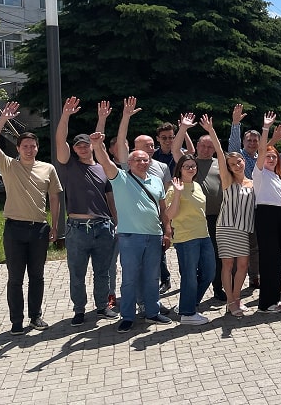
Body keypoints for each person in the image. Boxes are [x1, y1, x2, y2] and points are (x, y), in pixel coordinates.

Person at [91, 123, 171, 333]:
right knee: (130, 279)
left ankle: (152, 312)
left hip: (154, 235)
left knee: (152, 277)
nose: (142, 163)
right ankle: (128, 316)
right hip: (130, 237)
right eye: (138, 160)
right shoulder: (120, 178)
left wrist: (167, 231)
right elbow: (105, 161)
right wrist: (97, 145)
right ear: (129, 162)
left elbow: (163, 209)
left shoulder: (156, 181)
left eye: (145, 160)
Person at [0, 102, 63, 335]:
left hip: (39, 230)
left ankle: (35, 316)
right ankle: (16, 321)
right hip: (14, 230)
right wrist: (3, 120)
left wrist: (55, 226)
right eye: (25, 146)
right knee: (15, 278)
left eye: (32, 146)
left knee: (37, 276)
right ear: (18, 148)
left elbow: (54, 197)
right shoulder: (8, 165)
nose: (29, 149)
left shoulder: (48, 169)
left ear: (37, 148)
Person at [55, 97, 119, 327]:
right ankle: (79, 310)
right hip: (77, 229)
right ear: (73, 149)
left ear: (91, 146)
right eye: (78, 145)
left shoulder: (103, 168)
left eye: (86, 144)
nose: (82, 147)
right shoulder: (68, 165)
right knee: (77, 273)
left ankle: (102, 306)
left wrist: (116, 222)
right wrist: (65, 115)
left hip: (103, 227)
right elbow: (60, 140)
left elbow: (110, 197)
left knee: (103, 271)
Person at [199, 114, 255, 316]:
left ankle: (236, 298)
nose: (236, 165)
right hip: (226, 227)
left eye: (238, 161)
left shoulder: (252, 182)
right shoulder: (227, 180)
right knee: (228, 265)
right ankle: (231, 301)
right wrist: (211, 131)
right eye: (232, 164)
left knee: (243, 265)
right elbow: (220, 155)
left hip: (243, 229)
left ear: (243, 161)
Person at [172, 114, 225, 302]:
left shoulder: (220, 163)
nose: (206, 149)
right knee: (192, 262)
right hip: (194, 219)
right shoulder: (190, 163)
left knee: (217, 256)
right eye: (203, 145)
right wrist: (183, 128)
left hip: (217, 217)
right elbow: (175, 149)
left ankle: (218, 288)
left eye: (210, 146)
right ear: (197, 145)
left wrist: (211, 131)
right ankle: (191, 295)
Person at [164, 153, 215, 326]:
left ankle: (187, 304)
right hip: (186, 238)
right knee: (189, 276)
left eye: (193, 166)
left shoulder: (197, 185)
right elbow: (170, 215)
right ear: (180, 169)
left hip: (203, 235)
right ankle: (188, 314)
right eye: (187, 166)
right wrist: (178, 194)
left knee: (209, 273)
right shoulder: (174, 188)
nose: (191, 169)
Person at [254, 112, 281, 313]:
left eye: (274, 156)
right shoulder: (259, 173)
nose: (271, 159)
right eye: (268, 156)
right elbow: (261, 149)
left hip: (279, 217)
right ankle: (265, 303)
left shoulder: (277, 177)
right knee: (268, 260)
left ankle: (273, 299)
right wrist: (266, 128)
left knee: (277, 259)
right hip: (266, 216)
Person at [227, 103, 262, 288]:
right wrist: (235, 124)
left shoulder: (260, 159)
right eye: (249, 140)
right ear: (243, 142)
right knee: (238, 245)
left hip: (256, 207)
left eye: (255, 141)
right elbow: (232, 144)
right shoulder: (238, 157)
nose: (252, 143)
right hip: (239, 208)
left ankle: (254, 276)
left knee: (255, 246)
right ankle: (234, 278)